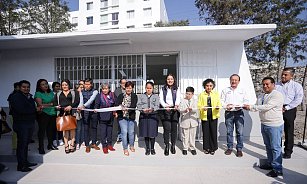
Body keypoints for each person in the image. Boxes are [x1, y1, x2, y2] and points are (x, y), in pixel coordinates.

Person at [244, 77, 284, 177]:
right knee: (268, 146)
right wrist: (246, 106)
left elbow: (267, 107)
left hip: (274, 125)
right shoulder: (262, 96)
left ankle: (278, 169)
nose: (265, 86)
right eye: (264, 84)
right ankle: (270, 163)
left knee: (275, 147)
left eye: (267, 84)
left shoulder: (277, 95)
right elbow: (256, 106)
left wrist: (252, 107)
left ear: (273, 84)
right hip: (265, 124)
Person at [275, 68, 304, 159]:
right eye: (282, 74)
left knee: (288, 131)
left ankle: (288, 151)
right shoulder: (276, 85)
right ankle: (277, 150)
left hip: (289, 109)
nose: (283, 76)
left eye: (285, 75)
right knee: (277, 130)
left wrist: (287, 107)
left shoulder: (297, 86)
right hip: (277, 109)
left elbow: (298, 99)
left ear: (291, 76)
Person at [10, 80, 38, 172]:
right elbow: (21, 110)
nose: (26, 89)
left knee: (25, 144)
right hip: (21, 124)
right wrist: (34, 110)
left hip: (29, 123)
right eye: (24, 87)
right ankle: (21, 166)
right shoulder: (15, 97)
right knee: (22, 145)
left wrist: (33, 109)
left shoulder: (29, 96)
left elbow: (31, 107)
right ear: (20, 87)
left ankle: (25, 162)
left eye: (28, 87)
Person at [220, 74, 249, 157]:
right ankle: (229, 148)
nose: (234, 81)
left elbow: (246, 101)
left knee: (240, 132)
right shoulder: (225, 90)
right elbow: (221, 101)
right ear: (230, 80)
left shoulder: (242, 90)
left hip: (239, 112)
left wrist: (240, 105)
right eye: (232, 79)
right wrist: (226, 105)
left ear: (238, 81)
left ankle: (239, 149)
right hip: (229, 113)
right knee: (229, 132)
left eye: (236, 80)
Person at [54, 79, 80, 154]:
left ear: (69, 85)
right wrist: (57, 106)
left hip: (72, 112)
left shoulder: (74, 92)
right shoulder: (58, 93)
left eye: (66, 85)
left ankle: (72, 144)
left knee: (72, 129)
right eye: (63, 85)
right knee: (64, 130)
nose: (64, 86)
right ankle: (66, 145)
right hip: (62, 113)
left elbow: (77, 101)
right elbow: (54, 102)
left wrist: (70, 106)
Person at [159, 74, 181, 156]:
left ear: (174, 80)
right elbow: (160, 99)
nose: (170, 80)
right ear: (166, 80)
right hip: (165, 110)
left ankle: (173, 145)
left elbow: (178, 98)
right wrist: (165, 106)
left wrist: (176, 105)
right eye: (168, 79)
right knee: (167, 129)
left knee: (174, 129)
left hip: (174, 110)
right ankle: (167, 146)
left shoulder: (177, 88)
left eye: (171, 79)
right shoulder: (163, 89)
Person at [35, 79, 58, 154]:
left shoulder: (51, 92)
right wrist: (50, 104)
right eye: (42, 84)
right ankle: (41, 147)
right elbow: (40, 105)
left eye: (46, 84)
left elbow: (55, 102)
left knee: (50, 131)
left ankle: (50, 145)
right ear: (39, 86)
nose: (45, 85)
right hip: (43, 114)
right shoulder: (38, 93)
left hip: (52, 113)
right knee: (42, 131)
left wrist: (48, 104)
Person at [198, 79, 221, 155]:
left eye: (210, 86)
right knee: (206, 132)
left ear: (213, 86)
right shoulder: (201, 94)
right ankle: (206, 148)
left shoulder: (216, 94)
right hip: (205, 115)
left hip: (214, 115)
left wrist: (218, 107)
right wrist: (202, 107)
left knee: (213, 132)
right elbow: (199, 105)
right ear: (204, 86)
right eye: (207, 86)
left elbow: (219, 103)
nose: (209, 87)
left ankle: (213, 148)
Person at [115, 81, 137, 156]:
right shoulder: (121, 95)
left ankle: (131, 145)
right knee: (124, 132)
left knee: (131, 132)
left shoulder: (134, 96)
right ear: (125, 88)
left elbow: (133, 106)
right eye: (127, 88)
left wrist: (127, 109)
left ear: (132, 88)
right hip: (122, 117)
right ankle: (125, 148)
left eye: (130, 88)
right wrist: (120, 108)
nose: (128, 89)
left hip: (130, 116)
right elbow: (116, 104)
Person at [137, 81, 160, 155]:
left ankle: (152, 148)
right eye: (147, 88)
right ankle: (147, 148)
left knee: (152, 133)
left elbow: (157, 106)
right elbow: (138, 105)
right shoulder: (141, 96)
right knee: (146, 133)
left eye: (150, 88)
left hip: (153, 116)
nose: (148, 89)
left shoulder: (156, 96)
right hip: (144, 116)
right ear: (145, 88)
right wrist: (143, 110)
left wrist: (152, 109)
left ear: (153, 88)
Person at [78, 78, 99, 153]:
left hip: (93, 112)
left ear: (91, 84)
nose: (86, 86)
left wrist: (83, 106)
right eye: (85, 84)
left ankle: (93, 143)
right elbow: (81, 101)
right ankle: (87, 145)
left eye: (88, 84)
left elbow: (91, 100)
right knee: (86, 129)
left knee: (94, 128)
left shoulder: (95, 91)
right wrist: (80, 107)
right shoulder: (81, 92)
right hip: (85, 113)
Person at [94, 83, 116, 154]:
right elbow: (96, 105)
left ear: (109, 89)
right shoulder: (99, 96)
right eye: (103, 89)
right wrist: (95, 109)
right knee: (103, 132)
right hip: (102, 116)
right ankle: (104, 146)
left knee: (109, 132)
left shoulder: (112, 94)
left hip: (111, 116)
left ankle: (109, 145)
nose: (105, 90)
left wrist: (115, 111)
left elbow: (115, 104)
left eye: (106, 89)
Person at [179, 87, 198, 155]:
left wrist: (192, 109)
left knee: (192, 135)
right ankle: (185, 148)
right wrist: (185, 110)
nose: (188, 95)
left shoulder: (195, 100)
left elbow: (196, 109)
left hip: (193, 120)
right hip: (185, 120)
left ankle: (192, 148)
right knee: (185, 135)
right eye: (187, 93)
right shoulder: (182, 100)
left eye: (189, 94)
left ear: (192, 94)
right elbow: (180, 109)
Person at [114, 77, 127, 143]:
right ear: (120, 84)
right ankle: (120, 137)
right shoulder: (117, 91)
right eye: (123, 83)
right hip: (119, 110)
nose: (124, 84)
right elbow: (115, 101)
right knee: (120, 124)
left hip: (127, 111)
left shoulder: (129, 89)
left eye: (125, 83)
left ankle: (126, 138)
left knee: (127, 124)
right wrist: (115, 111)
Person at [52, 81, 63, 147]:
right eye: (56, 86)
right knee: (53, 127)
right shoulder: (51, 94)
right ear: (53, 87)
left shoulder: (61, 93)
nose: (58, 87)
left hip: (60, 112)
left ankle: (60, 139)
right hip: (53, 112)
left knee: (60, 127)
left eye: (59, 86)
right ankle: (54, 140)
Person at [74, 83, 84, 150]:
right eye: (80, 87)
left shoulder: (82, 94)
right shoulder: (75, 94)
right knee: (77, 129)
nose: (81, 89)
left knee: (81, 128)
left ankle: (80, 141)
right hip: (76, 113)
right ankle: (76, 142)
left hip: (82, 113)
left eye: (82, 87)